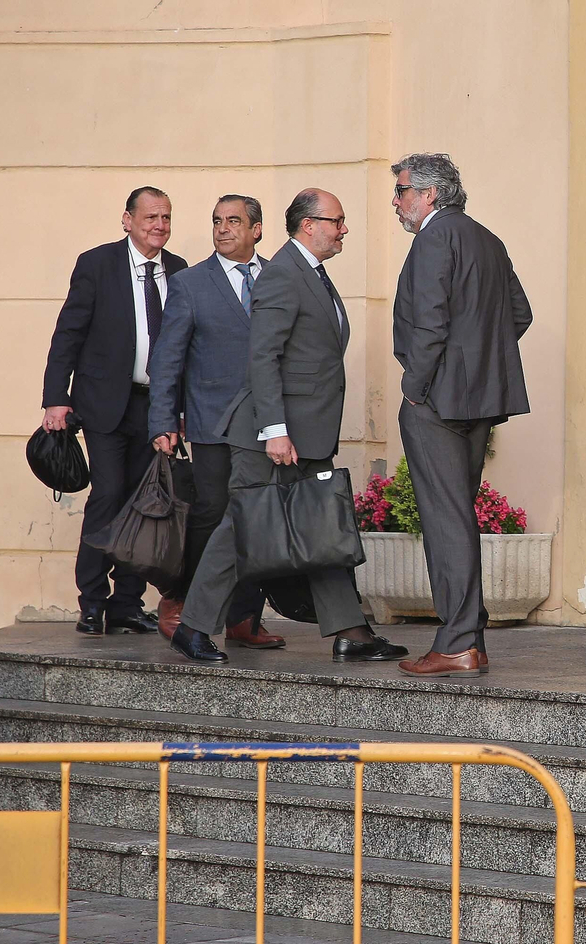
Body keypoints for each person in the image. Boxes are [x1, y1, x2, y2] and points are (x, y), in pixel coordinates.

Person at [168, 189, 407, 664]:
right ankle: (192, 626)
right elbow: (263, 355)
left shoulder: (310, 273)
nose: (343, 230)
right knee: (241, 528)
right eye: (336, 221)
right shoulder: (282, 274)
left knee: (322, 527)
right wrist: (275, 429)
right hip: (272, 435)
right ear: (308, 225)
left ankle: (351, 632)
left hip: (305, 434)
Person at [389, 153, 533, 679]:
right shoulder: (487, 238)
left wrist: (415, 387)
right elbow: (520, 314)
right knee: (458, 516)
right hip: (478, 401)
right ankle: (469, 637)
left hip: (438, 402)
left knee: (446, 521)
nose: (397, 202)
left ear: (430, 194)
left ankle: (457, 643)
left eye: (403, 191)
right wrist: (475, 363)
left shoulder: (433, 238)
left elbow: (429, 325)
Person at [41, 186, 188, 638]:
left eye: (165, 218)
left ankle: (127, 604)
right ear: (127, 220)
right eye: (149, 218)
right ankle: (92, 603)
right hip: (103, 405)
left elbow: (186, 348)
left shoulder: (180, 271)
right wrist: (54, 396)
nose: (158, 226)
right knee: (107, 496)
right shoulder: (97, 264)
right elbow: (68, 333)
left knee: (145, 505)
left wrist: (179, 413)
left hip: (155, 408)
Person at [147, 195, 283, 649]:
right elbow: (167, 359)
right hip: (212, 424)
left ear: (257, 229)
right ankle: (190, 605)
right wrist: (163, 420)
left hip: (269, 423)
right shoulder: (190, 283)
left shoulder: (280, 278)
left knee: (260, 518)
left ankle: (244, 617)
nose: (223, 229)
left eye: (234, 221)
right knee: (212, 516)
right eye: (217, 221)